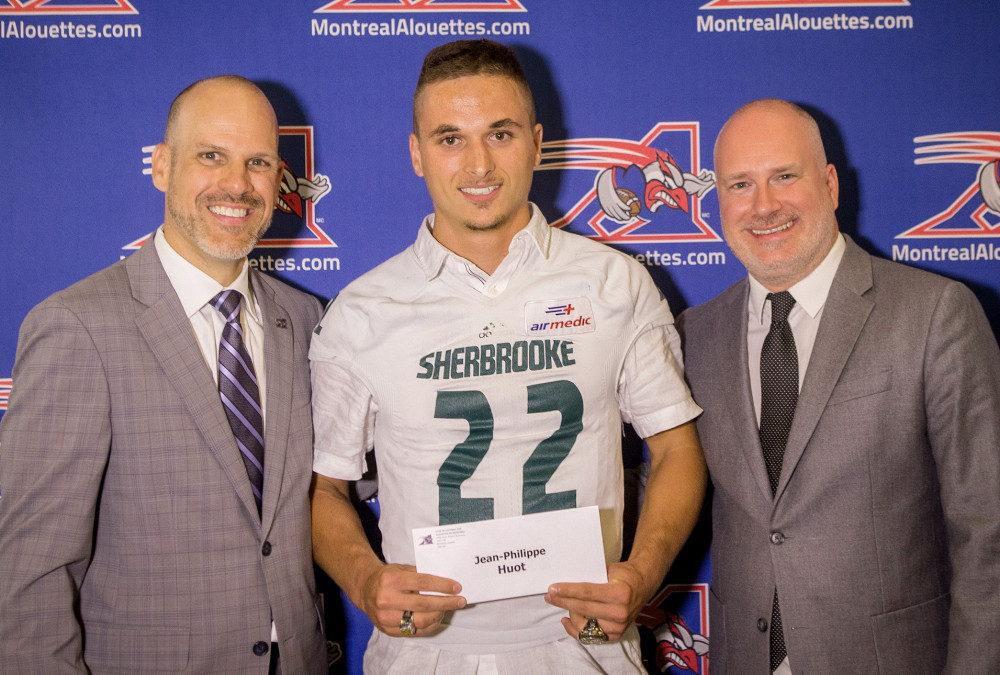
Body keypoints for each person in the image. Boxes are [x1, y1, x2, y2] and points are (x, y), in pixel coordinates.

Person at [309, 39, 706, 673]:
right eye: (450, 138)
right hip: (424, 655)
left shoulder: (616, 283)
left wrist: (643, 571)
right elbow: (323, 489)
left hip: (586, 648)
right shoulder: (362, 312)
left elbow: (678, 449)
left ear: (537, 143)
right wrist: (364, 579)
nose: (478, 164)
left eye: (500, 133)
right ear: (416, 154)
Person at [0, 75, 327, 674]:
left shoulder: (306, 320)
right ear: (161, 165)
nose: (238, 184)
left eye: (258, 162)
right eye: (212, 156)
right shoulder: (77, 327)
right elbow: (31, 574)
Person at [678, 98, 1000, 674]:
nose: (763, 205)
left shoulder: (935, 315)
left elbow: (989, 530)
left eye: (784, 176)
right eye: (739, 185)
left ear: (829, 185)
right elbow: (670, 485)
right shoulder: (693, 335)